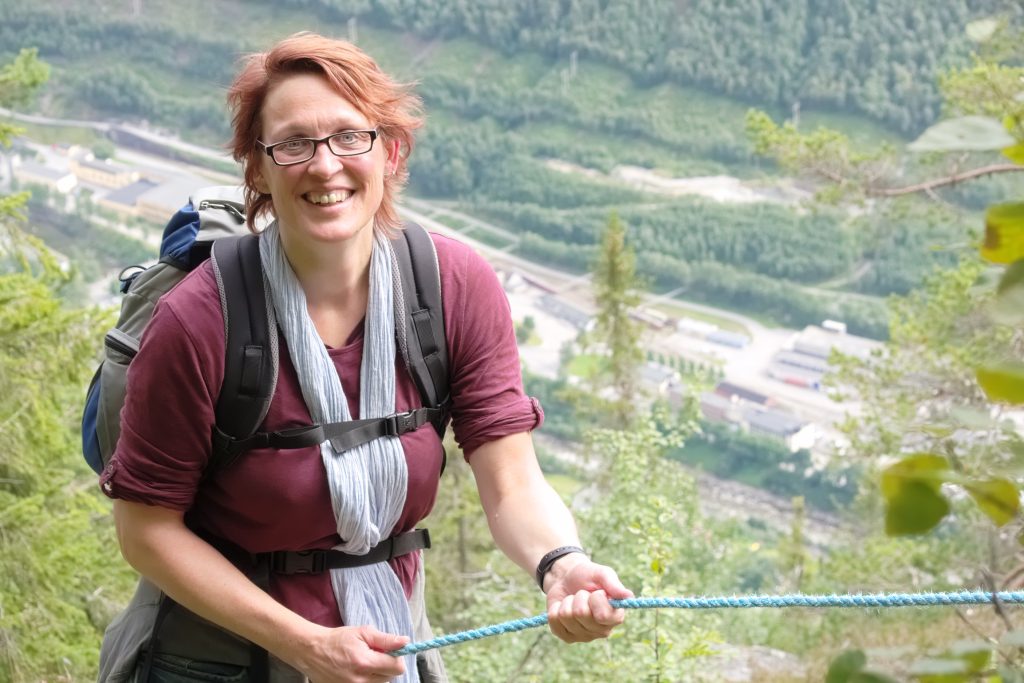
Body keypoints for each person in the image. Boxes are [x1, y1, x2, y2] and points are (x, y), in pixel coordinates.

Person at [99, 32, 632, 683]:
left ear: (391, 150)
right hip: (217, 659)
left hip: (387, 646)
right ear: (258, 169)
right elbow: (145, 529)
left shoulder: (451, 287)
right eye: (293, 143)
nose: (325, 166)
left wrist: (562, 564)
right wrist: (304, 644)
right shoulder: (201, 320)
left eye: (351, 136)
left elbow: (513, 481)